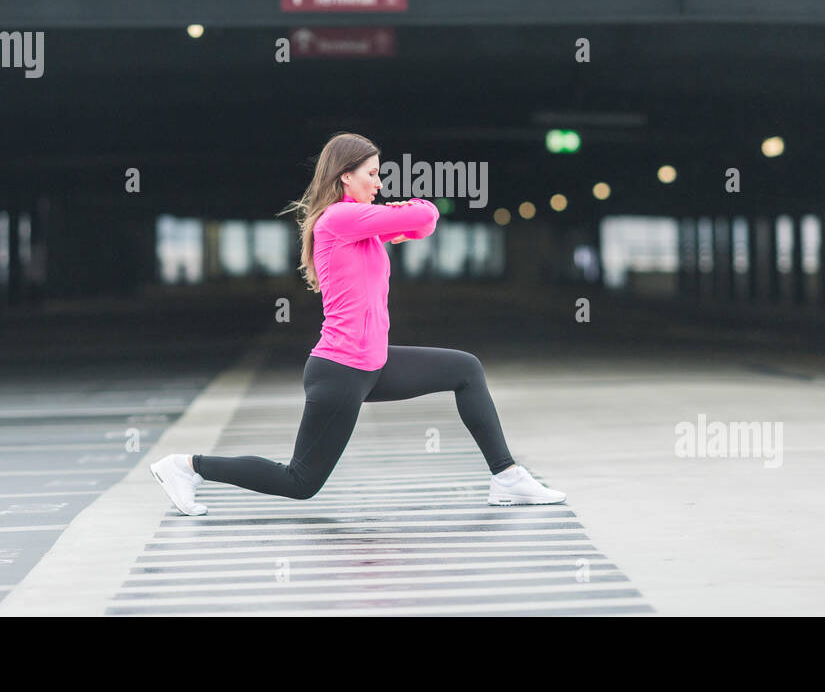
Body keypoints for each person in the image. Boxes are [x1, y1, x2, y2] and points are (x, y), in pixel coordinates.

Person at [150, 132, 566, 515]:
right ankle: (187, 466)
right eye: (372, 174)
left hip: (374, 365)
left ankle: (507, 477)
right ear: (345, 176)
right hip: (342, 369)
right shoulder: (338, 220)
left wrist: (399, 223)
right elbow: (425, 217)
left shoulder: (357, 228)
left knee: (465, 369)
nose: (379, 183)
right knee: (300, 481)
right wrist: (408, 212)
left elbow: (413, 231)